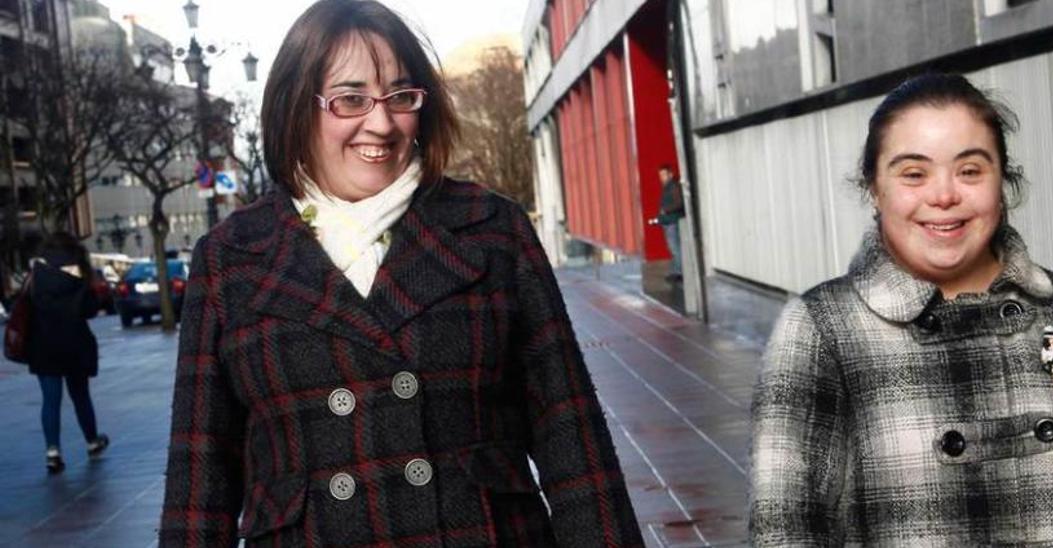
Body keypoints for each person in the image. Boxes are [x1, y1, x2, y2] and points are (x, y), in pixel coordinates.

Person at [158, 1, 642, 545]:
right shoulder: (232, 257)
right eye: (350, 99)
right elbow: (199, 480)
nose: (382, 123)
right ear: (296, 107)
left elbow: (569, 435)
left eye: (401, 97)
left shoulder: (488, 229)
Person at [749, 74, 1053, 546]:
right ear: (875, 187)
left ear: (1002, 181)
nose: (944, 196)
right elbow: (785, 528)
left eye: (971, 170)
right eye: (913, 173)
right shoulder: (822, 328)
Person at [25, 232, 109, 474]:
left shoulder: (36, 273)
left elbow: (26, 305)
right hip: (75, 342)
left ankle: (52, 451)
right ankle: (92, 440)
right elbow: (91, 310)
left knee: (50, 400)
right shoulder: (80, 270)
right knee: (80, 395)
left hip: (43, 344)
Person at [656, 165, 685, 281]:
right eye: (660, 175)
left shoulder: (674, 186)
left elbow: (679, 203)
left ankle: (680, 272)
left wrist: (666, 210)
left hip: (673, 221)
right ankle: (676, 271)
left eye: (664, 175)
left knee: (675, 247)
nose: (662, 178)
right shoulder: (667, 187)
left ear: (670, 174)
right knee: (672, 248)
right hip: (668, 221)